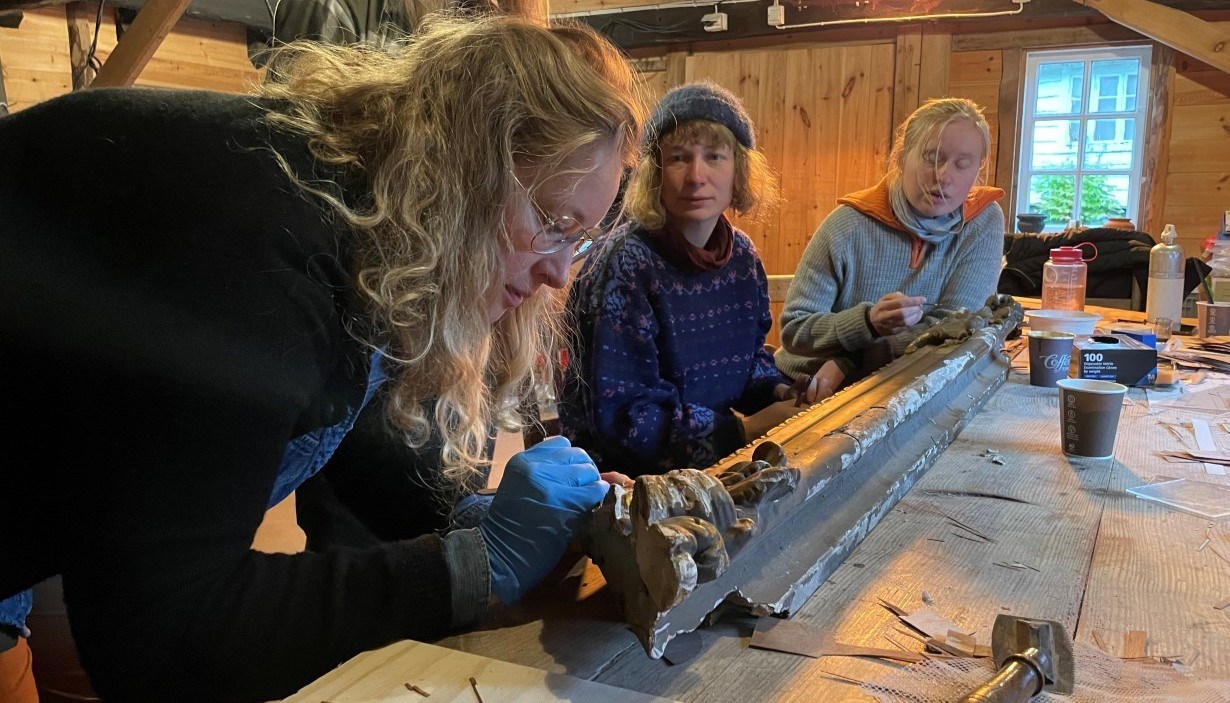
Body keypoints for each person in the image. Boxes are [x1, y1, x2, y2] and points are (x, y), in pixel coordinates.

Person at [0, 14, 643, 703]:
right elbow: (162, 634)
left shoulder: (373, 230)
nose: (558, 274)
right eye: (553, 222)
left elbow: (365, 454)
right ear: (470, 172)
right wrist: (477, 565)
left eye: (578, 241)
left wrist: (481, 520)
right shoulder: (263, 239)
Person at [559, 82, 821, 478]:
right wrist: (746, 429)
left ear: (739, 170)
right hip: (621, 484)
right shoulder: (625, 264)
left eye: (714, 156)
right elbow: (626, 418)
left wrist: (780, 391)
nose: (697, 176)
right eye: (679, 158)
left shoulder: (742, 257)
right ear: (655, 173)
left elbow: (747, 363)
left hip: (709, 470)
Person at [774, 98, 1006, 384]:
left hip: (898, 379)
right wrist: (867, 321)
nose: (944, 176)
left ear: (977, 170)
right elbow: (795, 329)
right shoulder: (847, 225)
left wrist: (852, 360)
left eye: (962, 165)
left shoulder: (982, 221)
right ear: (902, 157)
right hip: (807, 382)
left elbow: (956, 330)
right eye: (932, 158)